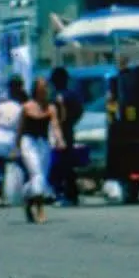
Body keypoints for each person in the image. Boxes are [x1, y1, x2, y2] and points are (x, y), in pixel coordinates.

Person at [17, 75, 63, 224]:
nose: (45, 90)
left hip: (42, 143)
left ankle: (27, 197)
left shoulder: (51, 108)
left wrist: (59, 139)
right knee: (36, 173)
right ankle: (40, 209)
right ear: (36, 89)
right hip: (28, 142)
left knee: (41, 176)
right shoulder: (27, 107)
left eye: (46, 87)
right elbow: (20, 128)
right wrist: (16, 146)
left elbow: (55, 126)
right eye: (42, 87)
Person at [0, 76, 26, 205]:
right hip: (10, 138)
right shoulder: (20, 107)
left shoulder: (0, 105)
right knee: (10, 167)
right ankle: (8, 195)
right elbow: (21, 127)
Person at [49, 66, 83, 206]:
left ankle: (62, 194)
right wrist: (71, 122)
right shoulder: (73, 95)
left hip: (58, 132)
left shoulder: (58, 96)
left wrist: (61, 124)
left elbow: (56, 116)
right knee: (68, 165)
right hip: (69, 131)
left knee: (59, 165)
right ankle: (72, 194)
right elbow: (80, 111)